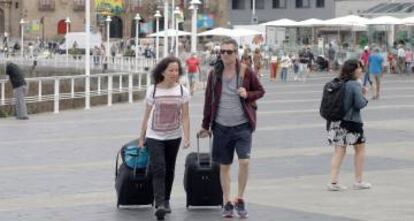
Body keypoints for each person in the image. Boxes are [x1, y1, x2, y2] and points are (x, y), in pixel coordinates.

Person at [198, 38, 265, 219]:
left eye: (229, 51)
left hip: (242, 126)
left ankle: (240, 198)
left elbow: (260, 91)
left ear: (236, 53)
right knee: (224, 166)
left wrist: (247, 94)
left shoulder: (245, 71)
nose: (225, 55)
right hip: (221, 127)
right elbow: (208, 100)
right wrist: (206, 125)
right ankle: (227, 201)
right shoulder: (214, 74)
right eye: (222, 51)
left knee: (244, 162)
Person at [138, 56, 191, 220]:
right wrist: (141, 137)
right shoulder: (153, 90)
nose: (175, 73)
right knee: (159, 168)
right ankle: (159, 203)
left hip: (174, 135)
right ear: (162, 71)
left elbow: (186, 117)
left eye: (176, 70)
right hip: (154, 135)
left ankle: (166, 200)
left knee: (170, 169)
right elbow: (146, 115)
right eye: (171, 70)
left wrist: (187, 137)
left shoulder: (182, 90)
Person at [326, 59, 371, 191]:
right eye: (359, 68)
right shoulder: (354, 85)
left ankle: (333, 182)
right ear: (353, 70)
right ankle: (358, 180)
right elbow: (359, 104)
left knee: (339, 151)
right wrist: (364, 94)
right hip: (351, 122)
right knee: (360, 149)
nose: (361, 70)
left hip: (335, 121)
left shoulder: (338, 82)